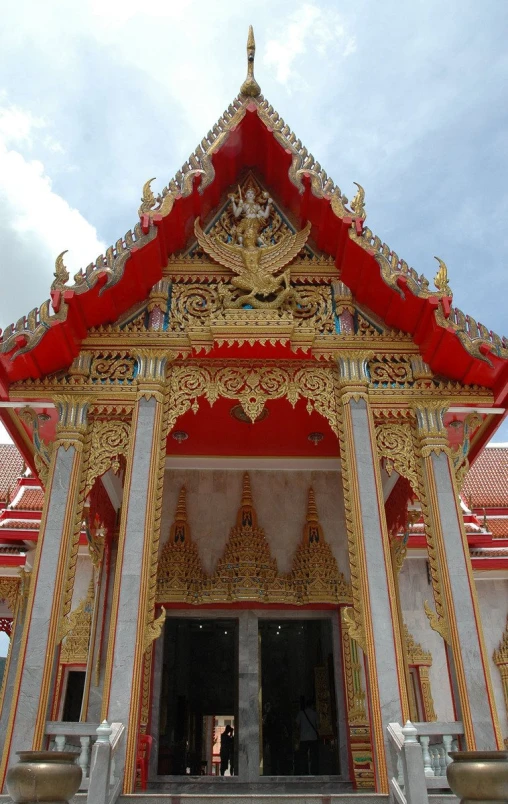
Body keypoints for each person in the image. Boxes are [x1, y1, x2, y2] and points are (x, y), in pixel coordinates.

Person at [295, 698, 319, 775]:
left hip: (303, 738)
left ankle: (304, 771)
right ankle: (314, 771)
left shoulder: (301, 713)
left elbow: (296, 724)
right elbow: (318, 725)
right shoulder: (315, 714)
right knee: (313, 756)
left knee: (303, 756)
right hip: (313, 738)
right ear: (312, 705)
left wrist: (298, 734)